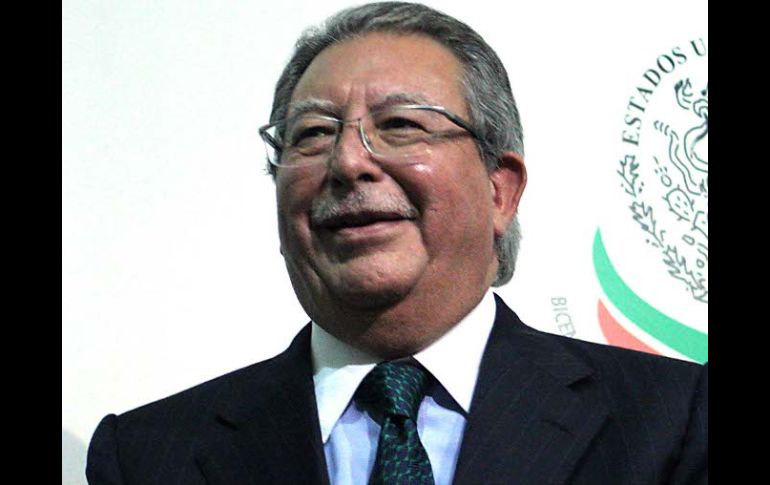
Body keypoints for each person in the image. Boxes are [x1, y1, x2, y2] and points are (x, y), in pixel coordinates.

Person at [86, 2, 708, 484]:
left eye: (402, 125)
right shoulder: (146, 456)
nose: (348, 161)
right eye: (313, 133)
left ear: (499, 190)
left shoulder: (675, 421)